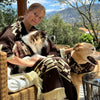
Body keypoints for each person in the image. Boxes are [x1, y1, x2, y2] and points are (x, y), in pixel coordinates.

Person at [0, 3, 77, 100]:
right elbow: (3, 53)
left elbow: (52, 52)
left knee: (60, 62)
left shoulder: (38, 34)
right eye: (35, 14)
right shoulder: (13, 30)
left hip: (33, 66)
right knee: (51, 63)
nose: (37, 19)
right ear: (27, 12)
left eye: (40, 18)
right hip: (17, 69)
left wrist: (72, 50)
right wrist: (27, 62)